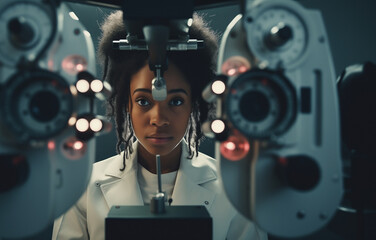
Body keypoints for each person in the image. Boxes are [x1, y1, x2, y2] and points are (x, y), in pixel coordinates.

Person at [52, 11, 267, 240]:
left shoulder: (234, 191)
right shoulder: (81, 187)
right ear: (127, 105)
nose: (159, 119)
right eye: (143, 101)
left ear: (194, 105)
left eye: (176, 101)